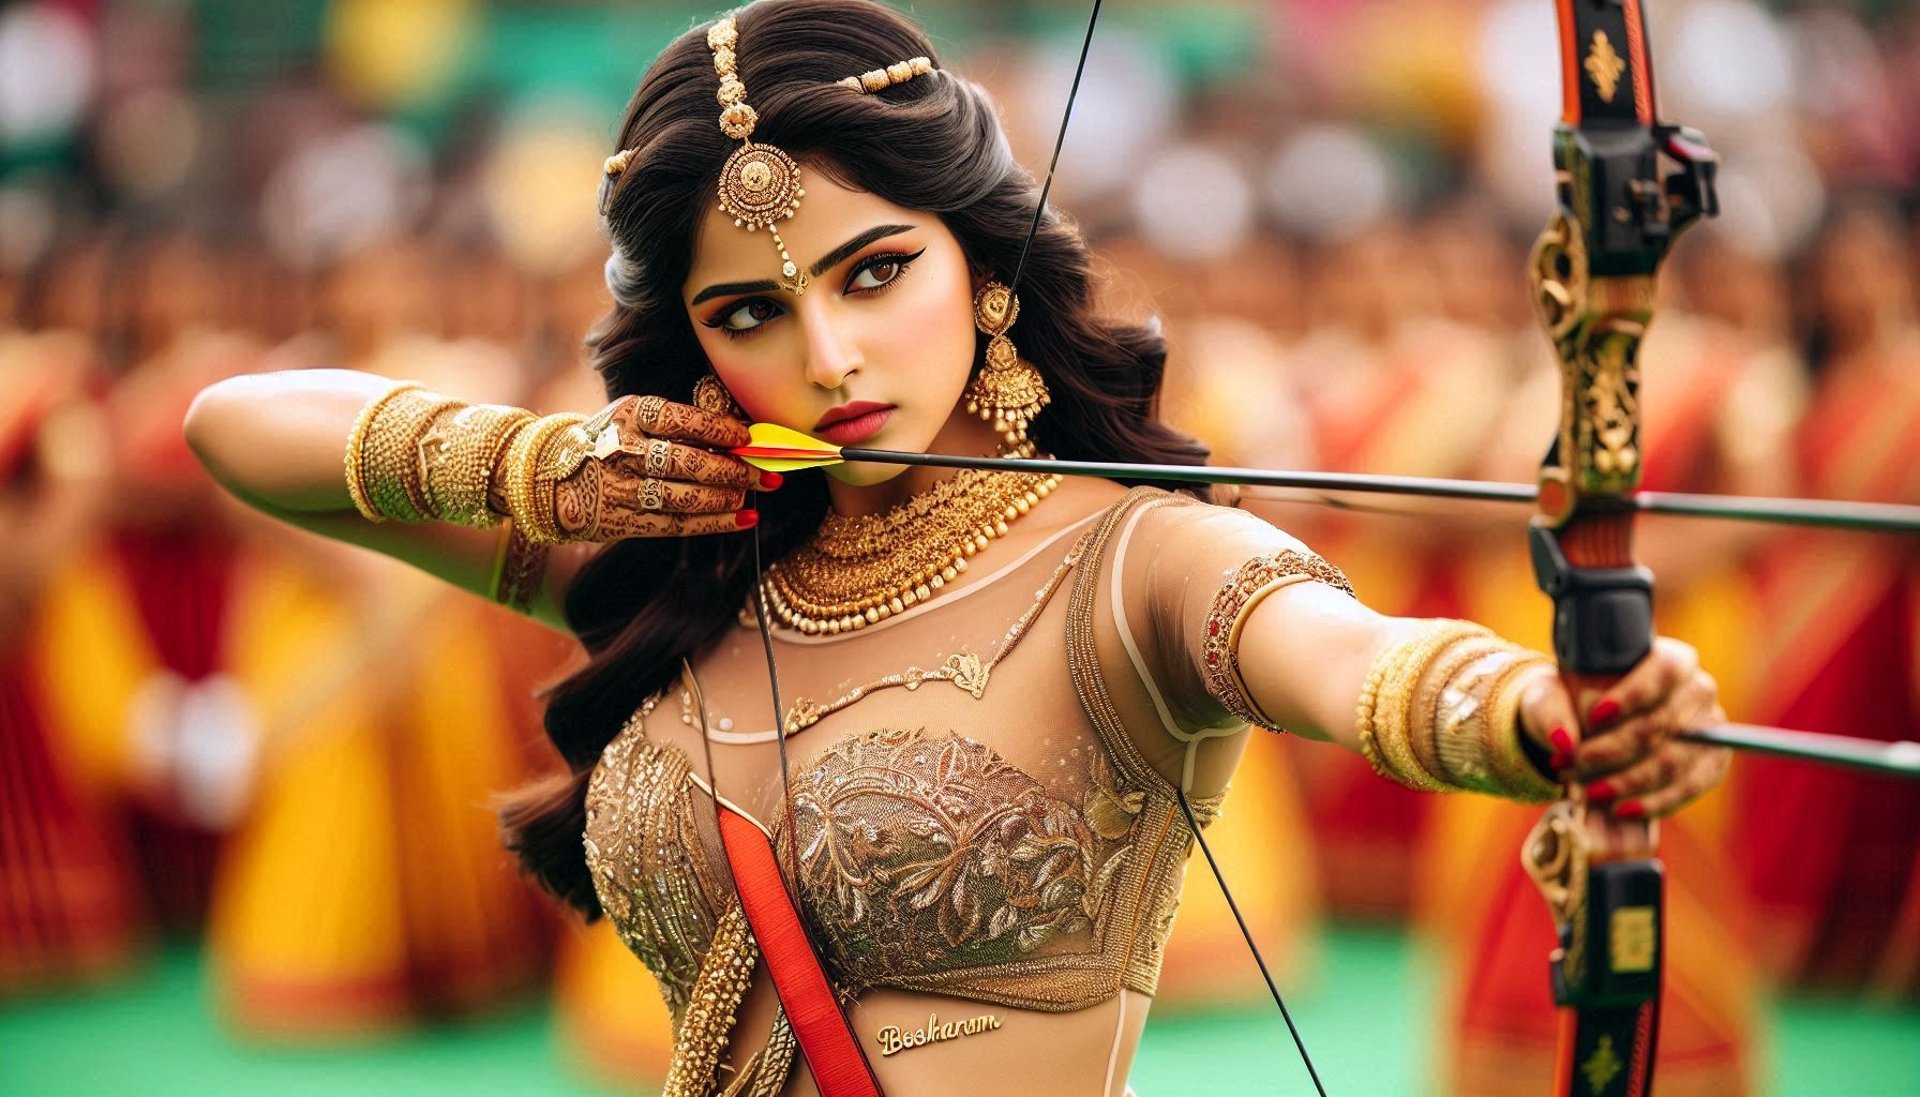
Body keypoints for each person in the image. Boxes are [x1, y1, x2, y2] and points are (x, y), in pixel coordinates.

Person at [184, 2, 1730, 1092]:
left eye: (874, 273)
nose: (829, 354)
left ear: (982, 261)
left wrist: (1550, 712)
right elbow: (238, 429)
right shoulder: (680, 557)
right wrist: (543, 461)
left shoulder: (1133, 561)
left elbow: (1359, 661)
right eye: (750, 314)